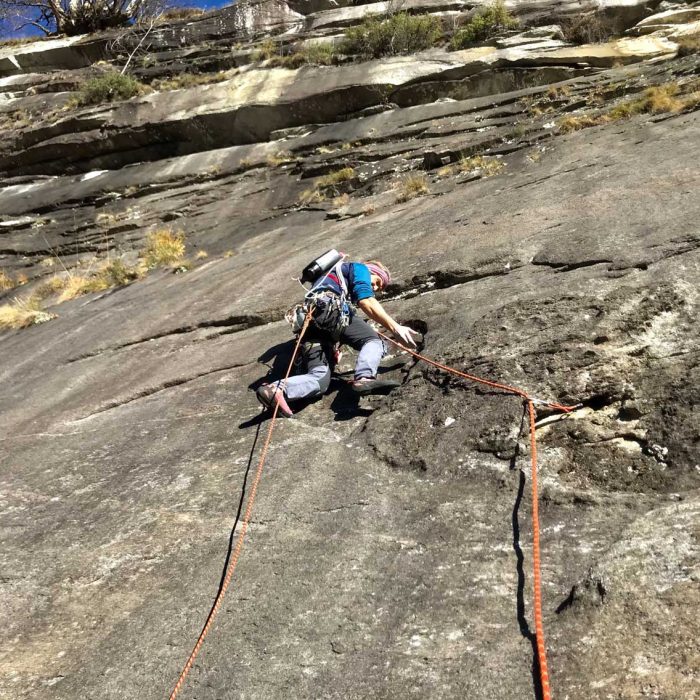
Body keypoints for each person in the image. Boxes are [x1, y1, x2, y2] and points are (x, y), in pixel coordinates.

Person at [256, 259, 419, 417]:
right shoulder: (359, 268)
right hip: (331, 311)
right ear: (371, 271)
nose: (375, 288)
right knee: (372, 340)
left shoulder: (327, 278)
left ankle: (276, 390)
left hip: (311, 326)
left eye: (378, 288)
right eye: (377, 281)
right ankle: (364, 378)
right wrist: (395, 328)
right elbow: (366, 300)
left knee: (320, 379)